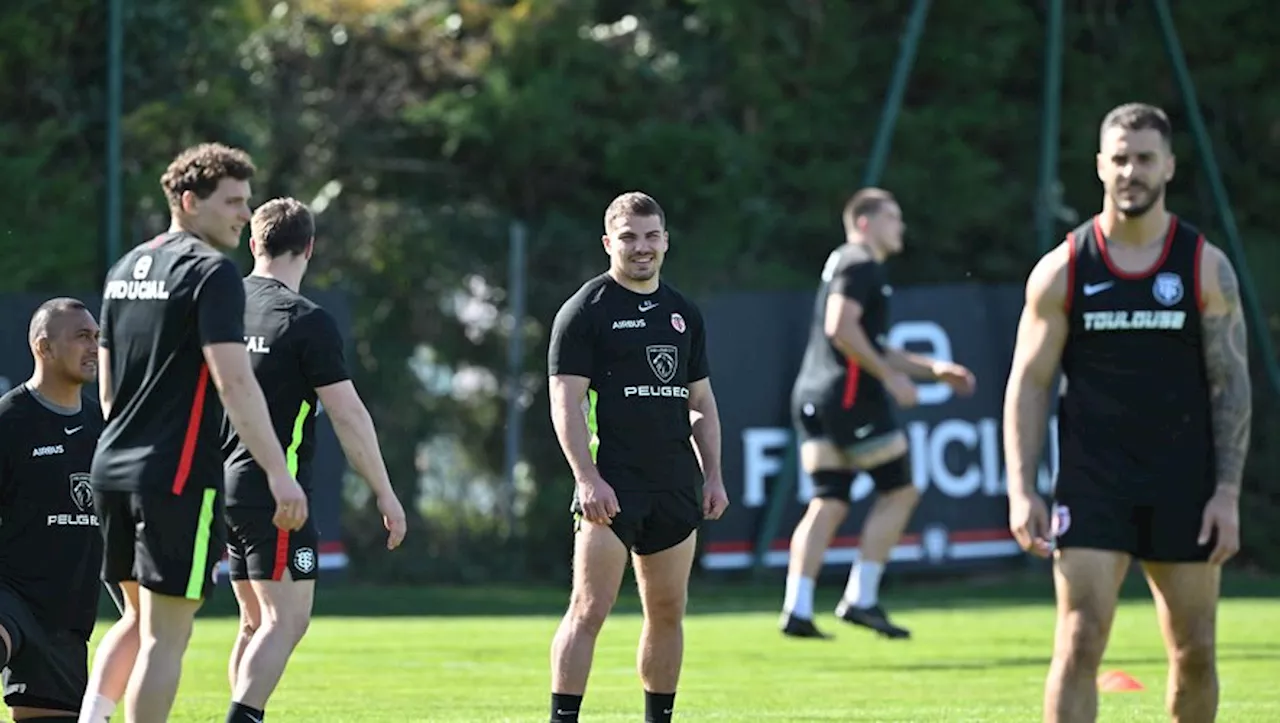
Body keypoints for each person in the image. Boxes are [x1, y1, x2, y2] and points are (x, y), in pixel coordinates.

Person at [1003, 102, 1249, 723]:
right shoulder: (1063, 269)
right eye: (1119, 158)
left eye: (1144, 158)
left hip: (1184, 483)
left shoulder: (1205, 267)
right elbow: (1028, 385)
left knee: (1194, 652)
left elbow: (1231, 385)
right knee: (1080, 640)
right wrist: (1020, 488)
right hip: (1094, 480)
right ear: (1099, 167)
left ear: (1168, 165)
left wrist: (1226, 492)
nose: (1131, 171)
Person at [82, 142, 308, 723]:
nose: (242, 214)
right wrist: (280, 474)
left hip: (112, 468)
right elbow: (234, 383)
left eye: (246, 201)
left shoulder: (123, 268)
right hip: (175, 477)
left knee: (135, 620)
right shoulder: (211, 272)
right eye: (232, 201)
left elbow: (109, 391)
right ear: (189, 201)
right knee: (165, 638)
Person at [221, 197, 408, 723]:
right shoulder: (305, 320)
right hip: (274, 492)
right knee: (288, 621)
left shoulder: (223, 307)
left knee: (254, 622)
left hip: (223, 486)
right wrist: (385, 491)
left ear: (254, 243)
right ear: (309, 247)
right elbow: (347, 415)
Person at [545, 191, 730, 723]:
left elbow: (700, 403)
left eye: (651, 236)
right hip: (612, 486)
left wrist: (713, 474)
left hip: (674, 484)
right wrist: (587, 478)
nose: (641, 247)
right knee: (588, 610)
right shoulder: (585, 311)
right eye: (629, 237)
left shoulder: (683, 313)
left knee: (668, 612)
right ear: (609, 243)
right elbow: (566, 403)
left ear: (666, 241)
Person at [779, 188, 976, 641]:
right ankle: (861, 598)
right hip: (850, 400)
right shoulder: (861, 262)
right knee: (901, 491)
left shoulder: (842, 261)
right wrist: (889, 378)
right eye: (893, 217)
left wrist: (932, 370)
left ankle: (798, 606)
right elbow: (841, 327)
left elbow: (864, 338)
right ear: (865, 222)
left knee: (829, 500)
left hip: (812, 395)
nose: (900, 227)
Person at [0, 299, 105, 721]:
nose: (94, 346)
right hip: (10, 594)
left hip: (66, 617)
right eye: (82, 336)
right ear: (43, 348)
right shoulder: (10, 420)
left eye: (97, 337)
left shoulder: (103, 427)